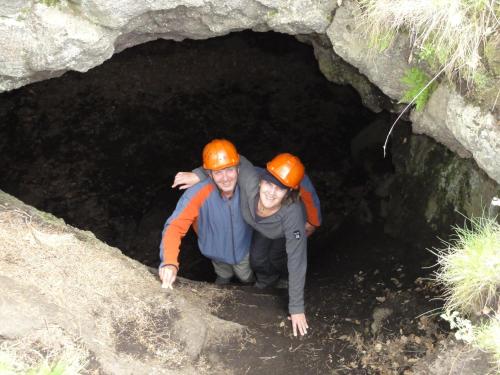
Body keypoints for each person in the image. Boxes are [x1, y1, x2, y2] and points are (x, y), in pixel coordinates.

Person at [176, 151, 321, 337]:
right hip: (261, 229)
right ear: (261, 180)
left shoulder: (292, 215)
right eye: (269, 183)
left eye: (280, 188)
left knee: (278, 257)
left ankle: (282, 279)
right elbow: (228, 159)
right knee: (258, 258)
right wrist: (198, 174)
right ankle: (265, 284)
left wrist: (296, 308)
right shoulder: (250, 181)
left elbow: (297, 261)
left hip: (282, 231)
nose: (271, 192)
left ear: (288, 193)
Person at [159, 139, 254, 289]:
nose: (225, 178)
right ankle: (223, 281)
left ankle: (249, 286)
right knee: (223, 274)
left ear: (238, 170)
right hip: (214, 253)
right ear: (209, 174)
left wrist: (305, 217)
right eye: (218, 172)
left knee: (245, 275)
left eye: (229, 169)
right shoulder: (198, 193)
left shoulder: (249, 187)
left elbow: (280, 179)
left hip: (243, 251)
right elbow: (175, 226)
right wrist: (169, 262)